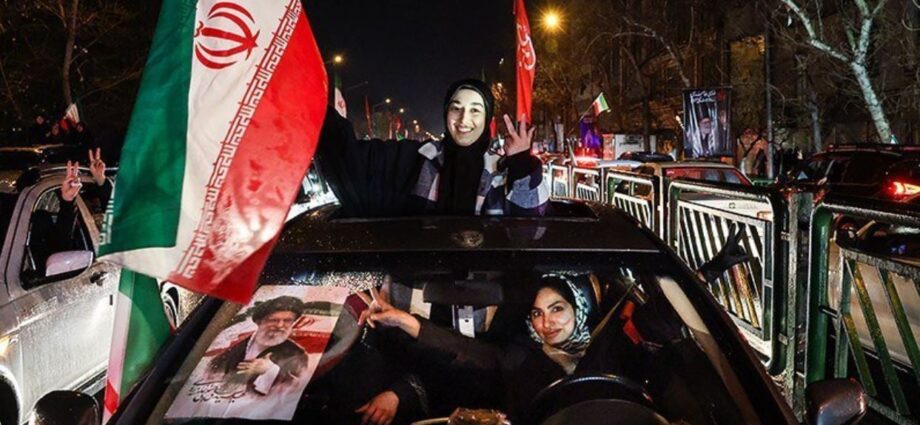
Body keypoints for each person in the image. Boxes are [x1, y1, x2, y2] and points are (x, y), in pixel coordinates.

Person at [360, 274, 631, 421]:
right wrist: (404, 320)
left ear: (579, 308)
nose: (547, 323)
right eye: (537, 313)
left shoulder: (612, 345)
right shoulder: (520, 357)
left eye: (557, 309)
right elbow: (465, 351)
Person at [315, 78, 548, 218]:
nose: (464, 119)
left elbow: (534, 227)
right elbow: (353, 160)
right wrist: (317, 111)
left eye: (475, 110)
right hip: (419, 285)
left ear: (487, 118)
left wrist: (521, 164)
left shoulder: (502, 172)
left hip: (486, 287)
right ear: (446, 113)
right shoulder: (416, 160)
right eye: (456, 108)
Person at [207, 295, 310, 396]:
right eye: (273, 320)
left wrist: (270, 370)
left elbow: (295, 389)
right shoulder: (235, 346)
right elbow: (211, 374)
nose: (280, 326)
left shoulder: (297, 355)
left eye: (287, 321)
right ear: (259, 322)